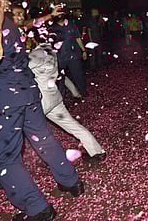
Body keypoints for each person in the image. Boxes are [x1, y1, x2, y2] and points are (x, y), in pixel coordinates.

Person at [0, 0, 84, 221]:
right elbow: (27, 26)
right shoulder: (10, 23)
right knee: (44, 140)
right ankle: (71, 182)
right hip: (27, 93)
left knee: (5, 159)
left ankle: (37, 209)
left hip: (2, 103)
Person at [27, 30, 106, 162]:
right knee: (73, 125)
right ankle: (96, 151)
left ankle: (55, 163)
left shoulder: (36, 54)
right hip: (54, 97)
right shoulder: (49, 49)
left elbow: (18, 68)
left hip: (42, 101)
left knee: (27, 133)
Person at [51, 12, 88, 98]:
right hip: (60, 57)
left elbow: (78, 38)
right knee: (60, 78)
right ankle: (61, 96)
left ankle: (83, 92)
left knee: (78, 75)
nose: (59, 15)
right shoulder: (52, 27)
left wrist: (83, 50)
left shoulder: (71, 25)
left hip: (74, 55)